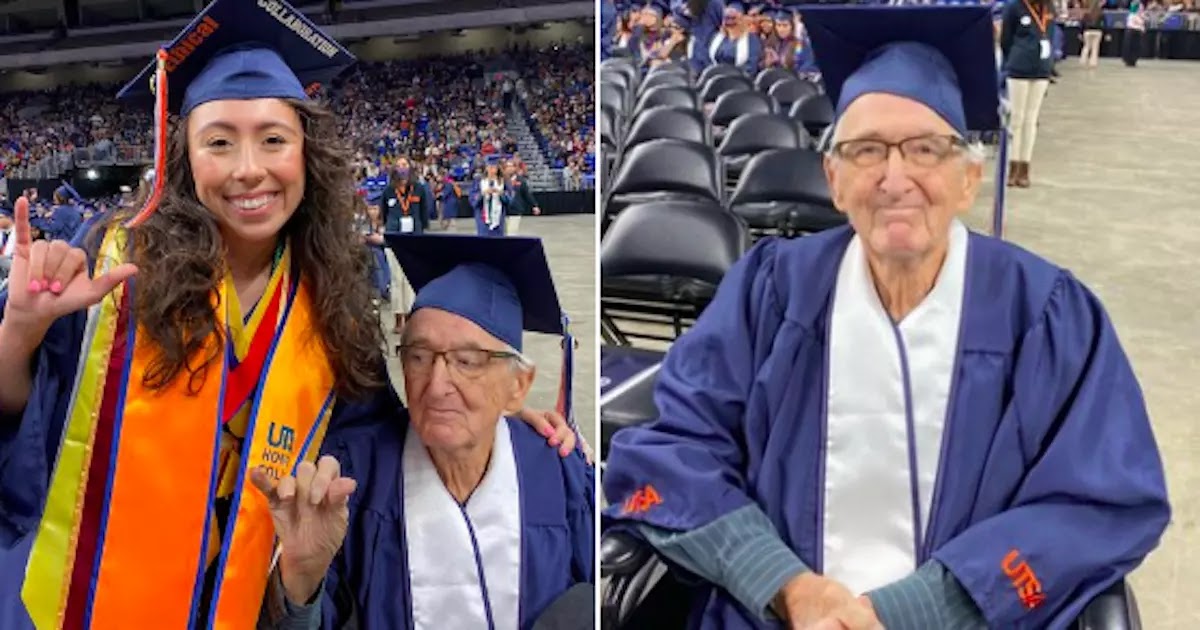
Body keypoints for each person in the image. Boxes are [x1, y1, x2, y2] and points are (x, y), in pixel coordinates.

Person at [0, 1, 578, 627]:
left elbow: (374, 432)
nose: (249, 170)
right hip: (80, 601)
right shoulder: (111, 257)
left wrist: (493, 397)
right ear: (183, 157)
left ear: (307, 153)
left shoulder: (332, 292)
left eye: (274, 140)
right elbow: (25, 428)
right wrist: (20, 329)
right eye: (218, 142)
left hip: (239, 603)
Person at [602, 5, 1169, 629]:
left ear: (968, 178)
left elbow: (1103, 501)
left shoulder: (1048, 315)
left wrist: (917, 608)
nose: (895, 178)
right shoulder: (772, 292)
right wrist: (783, 583)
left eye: (926, 150)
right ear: (834, 179)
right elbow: (671, 451)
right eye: (866, 151)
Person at [314, 234, 594, 628]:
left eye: (467, 361)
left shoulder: (560, 472)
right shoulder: (353, 476)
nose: (437, 384)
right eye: (419, 357)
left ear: (519, 386)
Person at [1001, 0, 1055, 188]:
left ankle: (1025, 168)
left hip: (1041, 70)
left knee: (1031, 120)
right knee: (1017, 119)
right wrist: (1016, 56)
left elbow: (1050, 35)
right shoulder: (1015, 7)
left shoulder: (1049, 7)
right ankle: (1012, 166)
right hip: (1018, 69)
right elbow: (1005, 40)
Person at [708, 1, 762, 75]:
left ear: (742, 20)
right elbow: (710, 60)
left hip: (739, 80)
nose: (730, 22)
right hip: (716, 77)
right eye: (727, 18)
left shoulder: (751, 40)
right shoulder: (717, 37)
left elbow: (751, 66)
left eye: (734, 18)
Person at [472, 160, 511, 237]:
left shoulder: (503, 182)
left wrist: (500, 193)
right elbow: (473, 199)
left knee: (497, 239)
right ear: (486, 168)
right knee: (483, 238)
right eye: (489, 167)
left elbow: (509, 199)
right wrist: (483, 194)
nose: (491, 170)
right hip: (482, 215)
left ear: (497, 169)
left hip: (498, 215)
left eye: (493, 168)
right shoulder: (479, 181)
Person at [1081, 0, 1105, 67]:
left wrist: (1081, 32)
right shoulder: (1100, 13)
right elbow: (1103, 24)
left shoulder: (1086, 13)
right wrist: (1104, 32)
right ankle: (1093, 63)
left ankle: (1083, 60)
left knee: (1086, 46)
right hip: (1097, 31)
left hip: (1087, 31)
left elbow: (1082, 23)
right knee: (1095, 48)